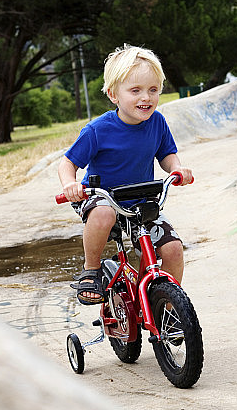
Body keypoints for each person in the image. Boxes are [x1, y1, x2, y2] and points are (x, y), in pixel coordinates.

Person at [58, 44, 193, 305]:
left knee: (173, 249)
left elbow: (166, 154)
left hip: (141, 201)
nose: (146, 98)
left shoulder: (157, 122)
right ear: (113, 94)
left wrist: (176, 169)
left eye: (153, 90)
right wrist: (70, 184)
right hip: (102, 198)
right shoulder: (98, 130)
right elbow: (67, 164)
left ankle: (165, 308)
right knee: (104, 212)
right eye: (136, 91)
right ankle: (91, 269)